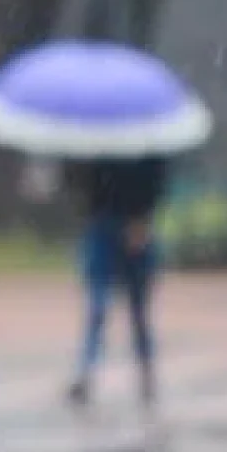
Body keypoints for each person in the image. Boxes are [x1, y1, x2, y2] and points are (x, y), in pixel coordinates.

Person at [66, 156, 170, 416]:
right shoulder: (91, 145)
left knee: (138, 310)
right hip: (101, 224)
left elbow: (157, 177)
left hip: (136, 225)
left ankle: (146, 373)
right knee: (98, 307)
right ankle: (86, 372)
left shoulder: (148, 144)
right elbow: (81, 183)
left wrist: (142, 215)